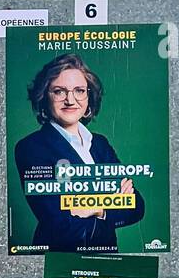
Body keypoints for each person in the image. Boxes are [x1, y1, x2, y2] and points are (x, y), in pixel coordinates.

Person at [13, 52, 145, 252]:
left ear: (88, 96)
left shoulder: (100, 144)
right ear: (44, 96)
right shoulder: (31, 147)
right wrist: (111, 200)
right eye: (59, 91)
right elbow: (58, 220)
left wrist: (96, 208)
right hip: (59, 261)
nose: (70, 100)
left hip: (106, 259)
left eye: (79, 90)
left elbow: (136, 207)